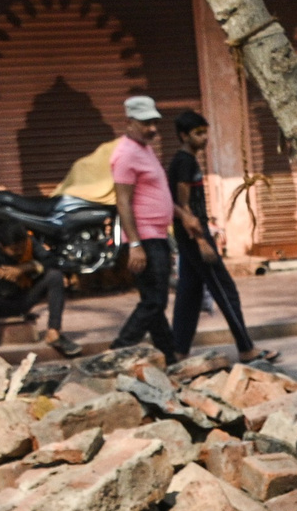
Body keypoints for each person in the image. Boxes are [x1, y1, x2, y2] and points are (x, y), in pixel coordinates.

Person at [164, 111, 274, 364]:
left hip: (194, 233)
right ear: (184, 135)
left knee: (189, 293)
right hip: (195, 235)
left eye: (205, 132)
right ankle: (246, 348)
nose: (204, 138)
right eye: (198, 133)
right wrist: (202, 240)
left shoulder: (187, 160)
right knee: (225, 290)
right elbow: (183, 206)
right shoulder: (184, 162)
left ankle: (178, 351)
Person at [109, 94, 177, 357]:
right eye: (145, 123)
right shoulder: (125, 155)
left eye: (154, 123)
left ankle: (169, 356)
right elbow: (123, 202)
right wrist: (135, 244)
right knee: (154, 301)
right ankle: (120, 348)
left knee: (155, 302)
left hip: (157, 236)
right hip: (145, 238)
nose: (152, 129)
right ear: (129, 122)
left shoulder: (144, 150)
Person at [0, 218, 77, 356]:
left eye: (22, 248)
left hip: (22, 298)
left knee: (55, 276)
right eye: (14, 250)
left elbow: (51, 261)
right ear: (1, 245)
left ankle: (53, 333)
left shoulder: (29, 241)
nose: (19, 252)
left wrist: (23, 268)